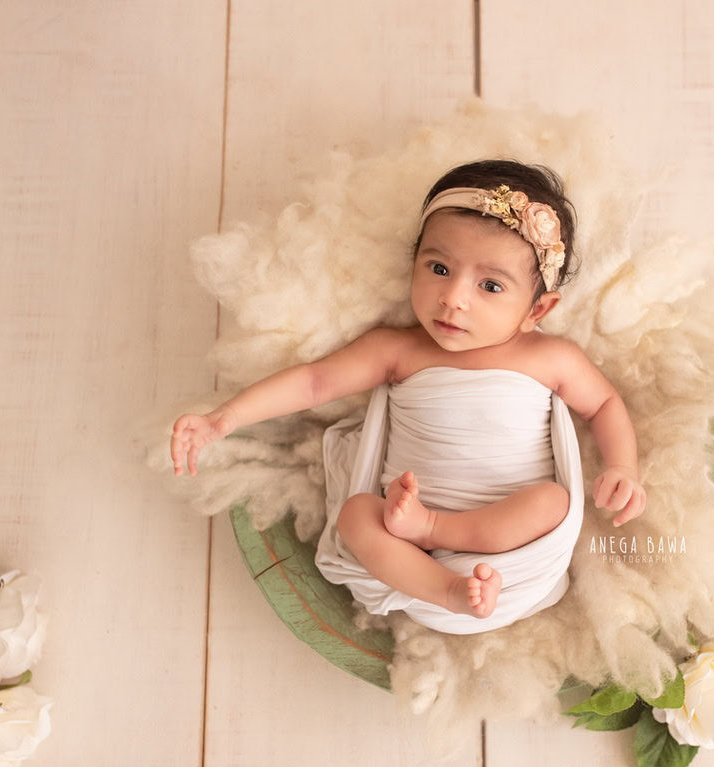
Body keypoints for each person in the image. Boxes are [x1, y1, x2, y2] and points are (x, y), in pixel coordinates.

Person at [170, 160, 646, 623]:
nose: (453, 298)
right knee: (357, 516)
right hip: (409, 551)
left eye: (489, 285)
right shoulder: (397, 349)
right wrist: (226, 417)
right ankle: (448, 590)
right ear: (414, 262)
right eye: (439, 268)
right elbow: (316, 380)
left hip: (508, 546)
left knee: (553, 503)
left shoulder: (551, 358)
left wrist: (623, 466)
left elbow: (605, 404)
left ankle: (440, 533)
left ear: (537, 310)